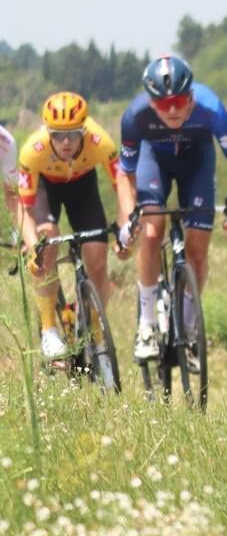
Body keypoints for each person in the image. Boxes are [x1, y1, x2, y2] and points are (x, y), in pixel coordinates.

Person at [117, 54, 227, 363]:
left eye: (179, 101)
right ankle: (147, 324)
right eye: (164, 105)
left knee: (198, 252)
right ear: (152, 104)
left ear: (191, 96)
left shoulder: (212, 109)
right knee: (150, 233)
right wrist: (128, 217)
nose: (173, 110)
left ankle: (189, 330)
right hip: (155, 161)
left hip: (197, 162)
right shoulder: (134, 117)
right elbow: (125, 172)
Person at [13, 92, 132, 359]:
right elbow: (24, 207)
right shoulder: (33, 151)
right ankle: (48, 329)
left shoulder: (100, 141)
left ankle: (93, 324)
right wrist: (33, 245)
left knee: (97, 258)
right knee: (47, 240)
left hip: (83, 189)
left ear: (84, 130)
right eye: (57, 134)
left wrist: (125, 230)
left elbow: (123, 186)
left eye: (74, 134)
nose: (66, 142)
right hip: (46, 190)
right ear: (47, 131)